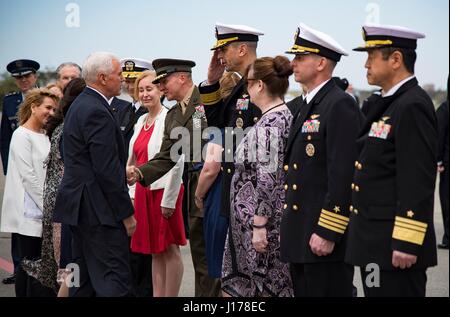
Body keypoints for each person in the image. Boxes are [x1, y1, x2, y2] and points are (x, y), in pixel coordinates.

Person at [345, 24, 438, 297]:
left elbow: (417, 178)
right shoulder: (386, 103)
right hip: (374, 244)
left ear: (396, 59)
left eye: (372, 57)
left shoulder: (412, 105)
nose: (365, 65)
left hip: (395, 246)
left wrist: (407, 242)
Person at [280, 23, 361, 297]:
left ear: (322, 63)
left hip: (321, 236)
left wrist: (328, 230)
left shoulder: (339, 104)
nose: (293, 64)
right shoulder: (307, 105)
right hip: (301, 234)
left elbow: (343, 173)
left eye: (300, 58)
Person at [127, 58, 219, 297]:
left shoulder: (206, 102)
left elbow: (208, 145)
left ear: (182, 77)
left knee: (212, 259)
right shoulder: (175, 113)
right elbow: (169, 155)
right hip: (192, 188)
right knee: (201, 258)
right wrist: (139, 173)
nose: (162, 87)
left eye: (164, 81)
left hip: (212, 185)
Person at [53, 52, 136, 297]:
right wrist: (126, 213)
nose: (122, 79)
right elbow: (106, 171)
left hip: (81, 209)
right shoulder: (96, 110)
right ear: (102, 77)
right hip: (99, 211)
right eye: (118, 74)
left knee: (84, 280)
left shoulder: (81, 104)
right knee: (113, 280)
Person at [220, 56, 294, 297]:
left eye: (248, 83)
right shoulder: (272, 118)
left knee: (265, 288)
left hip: (261, 227)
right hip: (252, 224)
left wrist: (259, 226)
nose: (246, 89)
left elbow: (268, 179)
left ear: (259, 85)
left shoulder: (272, 122)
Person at [22, 78, 87, 297]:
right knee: (69, 263)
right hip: (66, 201)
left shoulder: (59, 126)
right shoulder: (71, 127)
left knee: (64, 261)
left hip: (56, 201)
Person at [127, 70, 186, 296]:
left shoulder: (171, 117)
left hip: (165, 191)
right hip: (144, 191)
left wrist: (169, 200)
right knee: (154, 251)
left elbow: (177, 162)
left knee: (170, 249)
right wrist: (131, 193)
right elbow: (134, 160)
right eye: (140, 90)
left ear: (161, 90)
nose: (144, 94)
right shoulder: (141, 120)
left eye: (149, 89)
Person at [198, 23, 264, 225]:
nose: (219, 56)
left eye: (223, 49)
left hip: (253, 196)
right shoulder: (242, 86)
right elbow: (219, 126)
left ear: (242, 49)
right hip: (236, 191)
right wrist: (211, 82)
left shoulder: (262, 83)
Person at [0, 88, 58, 296]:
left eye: (54, 109)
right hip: (30, 212)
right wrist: (49, 207)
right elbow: (29, 177)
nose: (51, 112)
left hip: (44, 208)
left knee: (35, 265)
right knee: (30, 264)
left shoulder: (44, 135)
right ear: (34, 107)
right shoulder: (21, 135)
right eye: (47, 108)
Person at [1, 59, 40, 285]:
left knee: (36, 217)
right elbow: (5, 138)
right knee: (18, 218)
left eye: (27, 76)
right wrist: (9, 168)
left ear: (35, 76)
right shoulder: (10, 102)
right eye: (19, 77)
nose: (23, 80)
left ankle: (38, 266)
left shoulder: (46, 99)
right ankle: (19, 268)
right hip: (17, 170)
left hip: (39, 166)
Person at [118, 58, 154, 297]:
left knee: (143, 256)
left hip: (143, 187)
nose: (131, 86)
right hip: (125, 187)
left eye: (137, 82)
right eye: (129, 81)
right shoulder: (124, 111)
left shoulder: (151, 114)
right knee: (128, 253)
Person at [119, 58, 152, 154]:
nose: (131, 87)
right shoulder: (123, 111)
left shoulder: (152, 111)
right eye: (127, 81)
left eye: (134, 81)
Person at [437, 79, 449, 250]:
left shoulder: (445, 109)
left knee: (447, 199)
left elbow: (439, 136)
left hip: (447, 162)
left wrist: (438, 159)